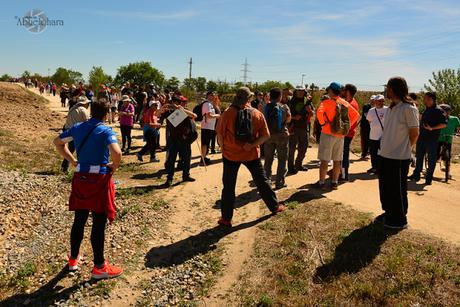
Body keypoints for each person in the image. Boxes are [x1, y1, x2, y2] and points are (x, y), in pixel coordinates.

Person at [53, 99, 123, 280]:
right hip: (99, 179)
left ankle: (73, 260)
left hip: (80, 177)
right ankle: (99, 267)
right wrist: (114, 166)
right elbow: (117, 153)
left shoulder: (78, 127)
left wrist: (72, 160)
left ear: (92, 111)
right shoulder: (106, 130)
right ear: (106, 113)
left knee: (79, 219)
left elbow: (57, 142)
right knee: (98, 223)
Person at [215, 87, 286, 227]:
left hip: (230, 155)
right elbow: (266, 136)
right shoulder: (256, 113)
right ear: (249, 99)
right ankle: (274, 206)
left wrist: (223, 149)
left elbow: (220, 135)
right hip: (251, 154)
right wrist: (252, 145)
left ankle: (226, 219)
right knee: (262, 181)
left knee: (228, 187)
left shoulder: (227, 113)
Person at [376, 76, 419, 229]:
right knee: (385, 187)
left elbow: (414, 133)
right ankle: (389, 213)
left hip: (399, 157)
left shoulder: (409, 108)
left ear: (393, 89)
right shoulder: (392, 108)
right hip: (385, 154)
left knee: (397, 189)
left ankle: (400, 219)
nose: (385, 90)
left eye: (387, 87)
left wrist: (407, 149)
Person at [315, 82, 360, 190]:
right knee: (337, 160)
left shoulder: (326, 102)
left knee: (324, 160)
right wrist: (346, 127)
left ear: (331, 90)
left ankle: (321, 183)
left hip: (327, 133)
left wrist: (323, 124)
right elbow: (356, 115)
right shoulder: (344, 102)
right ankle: (334, 183)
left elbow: (319, 113)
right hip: (340, 135)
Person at [408, 92, 447, 185]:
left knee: (431, 159)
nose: (424, 100)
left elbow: (444, 124)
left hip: (431, 139)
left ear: (432, 99)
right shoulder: (426, 109)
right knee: (419, 157)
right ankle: (416, 175)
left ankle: (428, 179)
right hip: (421, 138)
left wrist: (432, 128)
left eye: (426, 99)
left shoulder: (439, 110)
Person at [159, 95, 197, 187]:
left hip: (185, 139)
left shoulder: (184, 111)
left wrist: (181, 109)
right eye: (175, 102)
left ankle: (186, 175)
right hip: (173, 139)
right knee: (171, 160)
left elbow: (194, 116)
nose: (177, 104)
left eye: (180, 102)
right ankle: (169, 179)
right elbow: (157, 114)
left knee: (187, 159)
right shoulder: (169, 111)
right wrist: (162, 108)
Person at [263, 88, 291, 189]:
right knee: (282, 159)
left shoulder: (265, 107)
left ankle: (267, 181)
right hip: (281, 136)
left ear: (270, 96)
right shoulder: (284, 107)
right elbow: (288, 119)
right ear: (280, 96)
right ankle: (279, 182)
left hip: (268, 136)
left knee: (268, 159)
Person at [61, 96, 91, 172]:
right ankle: (82, 167)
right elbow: (88, 122)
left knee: (71, 149)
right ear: (85, 103)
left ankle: (65, 166)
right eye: (88, 103)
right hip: (76, 132)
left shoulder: (72, 108)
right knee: (79, 149)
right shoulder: (83, 110)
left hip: (67, 129)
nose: (88, 105)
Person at [288, 88, 314, 174]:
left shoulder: (307, 101)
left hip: (303, 127)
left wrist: (309, 111)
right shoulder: (291, 101)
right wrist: (294, 117)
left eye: (302, 91)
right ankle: (290, 167)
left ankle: (298, 164)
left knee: (303, 147)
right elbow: (285, 114)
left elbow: (312, 113)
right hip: (293, 127)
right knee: (291, 148)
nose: (300, 92)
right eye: (298, 91)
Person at [341, 84, 360, 181]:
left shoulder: (351, 104)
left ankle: (344, 175)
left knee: (344, 154)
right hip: (347, 132)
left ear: (348, 92)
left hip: (347, 133)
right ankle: (342, 173)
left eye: (344, 90)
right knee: (342, 153)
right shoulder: (349, 102)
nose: (342, 92)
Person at [366, 94, 388, 174]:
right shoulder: (371, 110)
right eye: (379, 101)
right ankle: (374, 167)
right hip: (373, 135)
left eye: (382, 101)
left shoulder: (387, 110)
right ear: (375, 101)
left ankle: (381, 168)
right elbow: (369, 121)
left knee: (381, 153)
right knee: (373, 153)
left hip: (383, 136)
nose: (381, 102)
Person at [200, 91, 220, 166]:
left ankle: (204, 157)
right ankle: (203, 159)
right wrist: (218, 116)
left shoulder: (210, 104)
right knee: (205, 143)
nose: (213, 96)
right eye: (212, 95)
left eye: (214, 95)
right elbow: (208, 116)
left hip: (209, 127)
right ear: (208, 96)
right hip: (206, 126)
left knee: (206, 143)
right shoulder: (207, 104)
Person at [360, 95, 374, 159]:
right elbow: (366, 115)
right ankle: (364, 154)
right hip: (365, 126)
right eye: (372, 100)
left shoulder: (374, 108)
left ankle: (367, 153)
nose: (373, 101)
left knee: (369, 140)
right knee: (365, 140)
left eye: (374, 100)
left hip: (370, 127)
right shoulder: (367, 106)